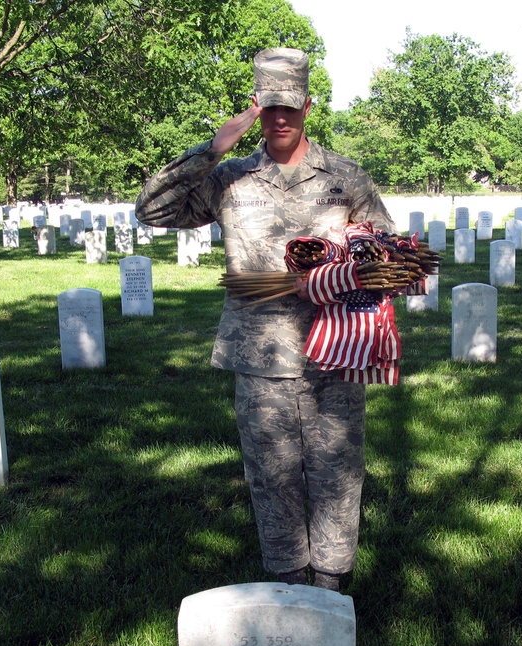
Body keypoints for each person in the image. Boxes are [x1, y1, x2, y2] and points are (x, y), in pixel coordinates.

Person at [135, 47, 395, 592]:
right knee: (271, 478)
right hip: (259, 354)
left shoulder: (345, 176)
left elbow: (389, 252)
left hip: (335, 352)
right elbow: (152, 211)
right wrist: (212, 147)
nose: (281, 117)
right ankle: (286, 586)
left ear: (308, 106)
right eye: (270, 106)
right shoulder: (229, 178)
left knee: (337, 477)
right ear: (257, 105)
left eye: (291, 107)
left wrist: (358, 263)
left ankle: (331, 587)